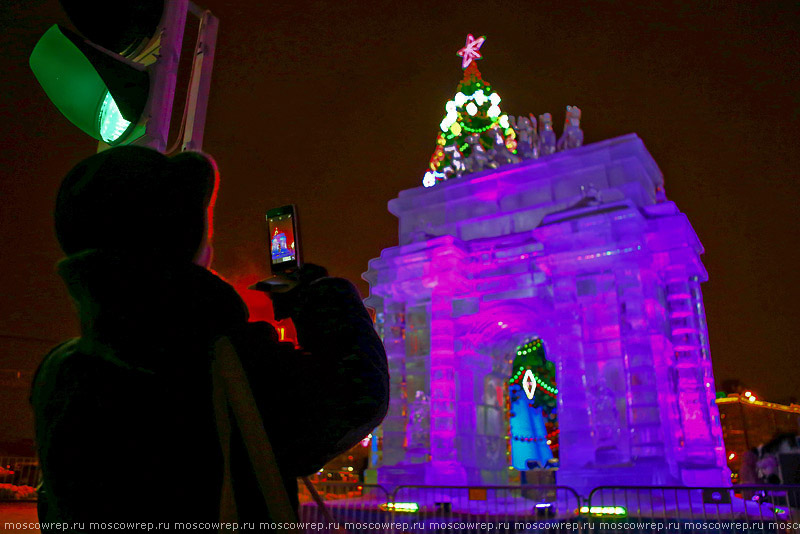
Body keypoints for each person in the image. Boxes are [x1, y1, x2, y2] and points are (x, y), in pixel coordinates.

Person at [30, 146, 389, 528]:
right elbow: (358, 394)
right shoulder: (220, 360)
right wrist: (320, 294)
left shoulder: (60, 369)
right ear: (179, 238)